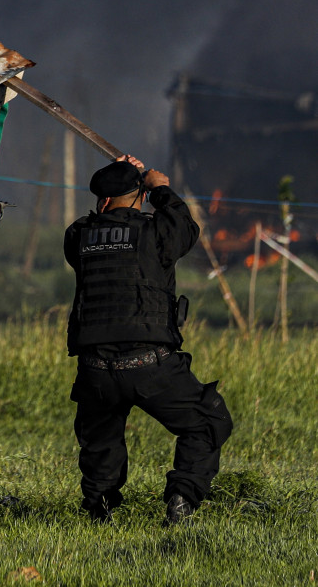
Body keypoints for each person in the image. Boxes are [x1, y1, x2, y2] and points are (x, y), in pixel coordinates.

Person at [64, 155, 232, 525]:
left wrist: (119, 171)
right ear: (138, 197)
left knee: (101, 441)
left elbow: (103, 227)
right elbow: (185, 227)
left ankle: (99, 511)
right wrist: (159, 187)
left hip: (95, 370)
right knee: (207, 421)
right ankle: (182, 500)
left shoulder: (78, 237)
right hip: (151, 365)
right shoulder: (156, 234)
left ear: (103, 200)